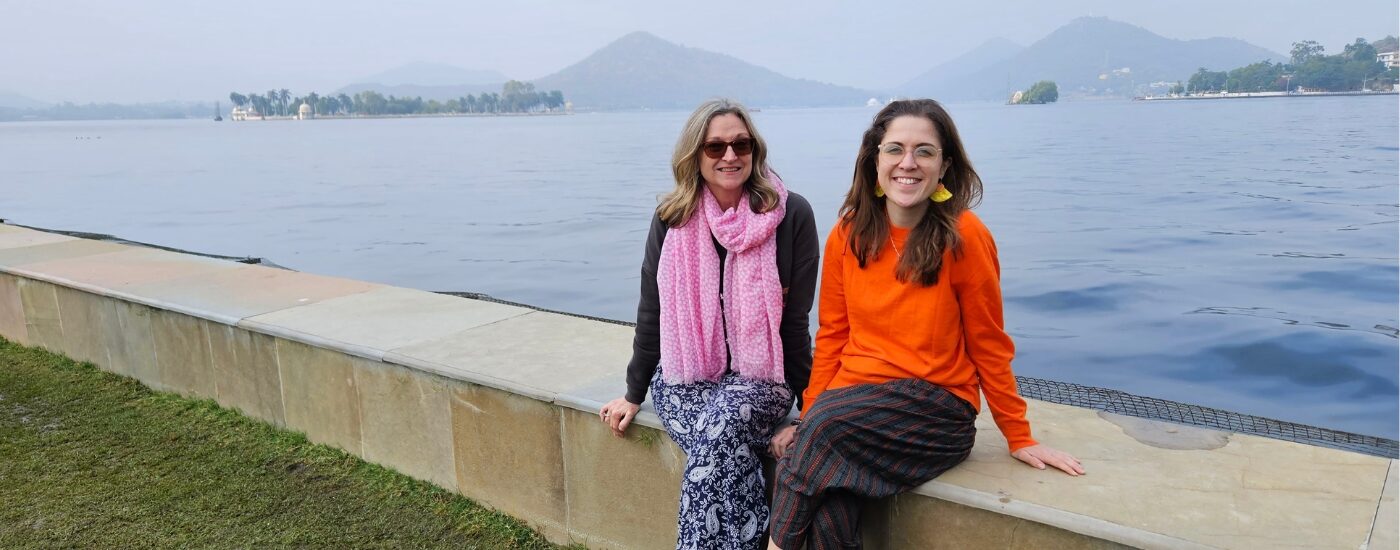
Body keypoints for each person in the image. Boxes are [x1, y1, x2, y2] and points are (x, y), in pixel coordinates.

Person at [766, 99, 1083, 550]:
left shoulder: (966, 236)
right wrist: (812, 413)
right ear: (874, 160)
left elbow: (989, 343)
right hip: (851, 407)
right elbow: (834, 336)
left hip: (936, 412)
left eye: (924, 151)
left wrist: (1018, 434)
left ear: (944, 166)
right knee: (829, 495)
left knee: (821, 435)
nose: (908, 163)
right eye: (895, 149)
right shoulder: (847, 233)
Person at [598, 98, 820, 550]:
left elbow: (795, 325)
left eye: (740, 144)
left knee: (718, 432)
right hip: (686, 377)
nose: (730, 156)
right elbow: (652, 312)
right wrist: (634, 392)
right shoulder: (672, 218)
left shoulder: (791, 215)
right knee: (724, 445)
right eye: (715, 147)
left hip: (761, 380)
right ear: (695, 156)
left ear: (754, 150)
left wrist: (810, 411)